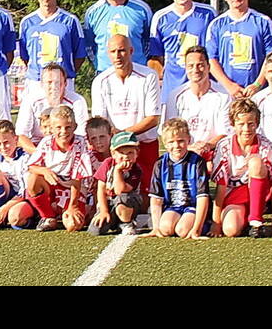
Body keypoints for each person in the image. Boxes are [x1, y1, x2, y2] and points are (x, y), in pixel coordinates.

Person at [91, 34, 162, 193]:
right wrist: (117, 140)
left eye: (122, 50)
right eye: (113, 51)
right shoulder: (100, 81)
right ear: (107, 53)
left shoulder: (149, 76)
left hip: (144, 144)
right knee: (113, 192)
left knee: (147, 193)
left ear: (131, 51)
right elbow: (100, 120)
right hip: (115, 146)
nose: (117, 56)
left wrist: (124, 135)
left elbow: (153, 118)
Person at [10, 106, 95, 232]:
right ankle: (47, 216)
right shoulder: (46, 142)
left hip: (72, 190)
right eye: (58, 127)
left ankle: (71, 211)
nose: (63, 131)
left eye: (68, 127)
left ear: (75, 127)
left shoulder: (80, 143)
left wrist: (73, 206)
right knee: (32, 181)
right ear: (52, 128)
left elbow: (78, 179)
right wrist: (45, 171)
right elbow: (31, 166)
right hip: (52, 187)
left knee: (73, 225)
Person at [209, 99, 272, 238]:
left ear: (257, 124)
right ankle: (244, 221)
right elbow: (221, 187)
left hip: (260, 197)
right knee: (231, 230)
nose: (246, 129)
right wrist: (216, 223)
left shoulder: (266, 146)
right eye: (241, 124)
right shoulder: (224, 146)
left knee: (255, 161)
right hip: (234, 197)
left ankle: (256, 222)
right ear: (233, 124)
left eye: (251, 124)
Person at [150, 0, 217, 104]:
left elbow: (216, 51)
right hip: (173, 86)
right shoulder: (160, 17)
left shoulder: (208, 13)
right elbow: (155, 57)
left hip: (203, 84)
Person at [206, 0, 272, 97]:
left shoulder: (263, 21)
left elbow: (271, 57)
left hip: (257, 92)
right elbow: (211, 59)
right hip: (227, 92)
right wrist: (228, 85)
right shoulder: (216, 25)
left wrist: (257, 84)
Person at [140, 119, 212, 239]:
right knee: (165, 229)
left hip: (193, 206)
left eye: (181, 141)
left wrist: (196, 229)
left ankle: (204, 223)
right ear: (165, 143)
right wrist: (156, 227)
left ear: (188, 139)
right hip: (173, 206)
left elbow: (203, 197)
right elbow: (156, 198)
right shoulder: (160, 163)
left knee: (182, 230)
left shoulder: (198, 162)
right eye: (171, 142)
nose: (176, 146)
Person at [18, 0, 85, 102]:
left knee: (64, 119)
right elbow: (25, 56)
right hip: (36, 82)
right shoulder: (27, 22)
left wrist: (62, 75)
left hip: (63, 83)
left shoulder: (70, 21)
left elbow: (79, 55)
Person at [85, 0, 157, 74]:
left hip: (136, 72)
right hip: (105, 72)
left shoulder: (141, 9)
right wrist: (98, 64)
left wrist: (139, 62)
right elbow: (89, 45)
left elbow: (150, 42)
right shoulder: (93, 12)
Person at [164, 47, 231, 158]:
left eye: (200, 65)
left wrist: (207, 146)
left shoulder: (223, 96)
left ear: (208, 67)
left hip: (213, 154)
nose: (195, 70)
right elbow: (169, 133)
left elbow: (225, 133)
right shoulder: (175, 96)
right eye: (191, 66)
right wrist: (189, 148)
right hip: (183, 154)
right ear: (185, 68)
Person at [16, 63, 90, 152]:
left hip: (69, 148)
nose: (53, 87)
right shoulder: (30, 100)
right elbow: (20, 135)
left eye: (58, 82)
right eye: (49, 82)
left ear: (65, 83)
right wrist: (39, 155)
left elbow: (81, 135)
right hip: (37, 148)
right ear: (42, 84)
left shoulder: (77, 101)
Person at [84, 131, 145, 236]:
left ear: (137, 153)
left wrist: (117, 171)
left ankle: (127, 223)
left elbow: (119, 190)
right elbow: (101, 189)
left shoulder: (136, 170)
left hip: (126, 204)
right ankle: (114, 222)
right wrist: (103, 210)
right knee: (95, 230)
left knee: (124, 197)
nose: (126, 157)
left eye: (130, 153)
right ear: (113, 154)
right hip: (109, 202)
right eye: (122, 153)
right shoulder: (107, 163)